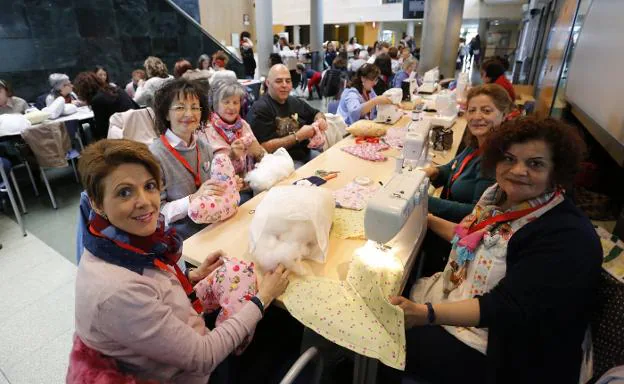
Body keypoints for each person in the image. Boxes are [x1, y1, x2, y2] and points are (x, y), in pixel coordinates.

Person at [387, 117, 602, 384]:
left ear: (556, 170)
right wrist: (425, 219)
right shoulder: (500, 198)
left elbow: (504, 307)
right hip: (485, 319)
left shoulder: (565, 236)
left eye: (535, 163)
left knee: (386, 336)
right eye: (509, 159)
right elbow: (472, 238)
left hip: (511, 355)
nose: (518, 170)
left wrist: (425, 314)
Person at [72, 138, 291, 383]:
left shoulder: (116, 245)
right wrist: (264, 299)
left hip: (185, 334)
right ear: (97, 203)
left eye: (150, 186)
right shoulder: (117, 291)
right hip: (195, 374)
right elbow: (204, 357)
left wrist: (189, 277)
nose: (145, 201)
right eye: (125, 192)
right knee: (283, 325)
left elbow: (152, 295)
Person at [418, 84, 514, 277]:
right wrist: (430, 171)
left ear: (504, 115)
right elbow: (452, 167)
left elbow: (475, 212)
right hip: (444, 226)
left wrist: (423, 201)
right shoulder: (476, 145)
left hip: (455, 238)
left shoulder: (495, 161)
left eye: (486, 111)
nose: (477, 116)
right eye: (472, 110)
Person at [246, 64, 328, 168]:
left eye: (288, 81)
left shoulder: (294, 101)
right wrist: (298, 136)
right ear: (268, 83)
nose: (284, 85)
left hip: (306, 154)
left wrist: (320, 120)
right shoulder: (260, 109)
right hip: (280, 163)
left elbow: (317, 113)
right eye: (279, 81)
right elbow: (263, 147)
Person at [203, 78, 265, 204]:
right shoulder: (206, 130)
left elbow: (261, 154)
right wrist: (231, 156)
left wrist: (259, 153)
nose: (231, 107)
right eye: (226, 102)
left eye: (235, 102)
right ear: (216, 104)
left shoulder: (243, 124)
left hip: (252, 183)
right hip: (225, 193)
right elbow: (207, 170)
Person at [74, 72, 138, 140]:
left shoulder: (97, 100)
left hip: (121, 135)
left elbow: (102, 130)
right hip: (136, 127)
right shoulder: (117, 89)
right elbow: (136, 106)